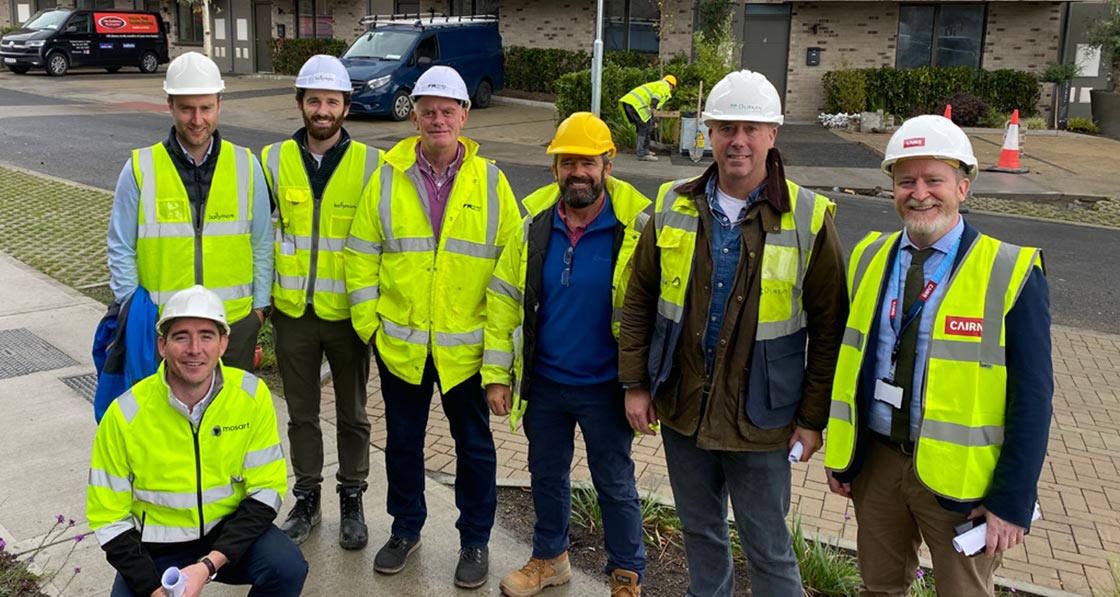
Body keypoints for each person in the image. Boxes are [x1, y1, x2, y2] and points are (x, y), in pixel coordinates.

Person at [617, 69, 848, 597]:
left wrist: (812, 421)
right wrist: (635, 383)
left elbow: (830, 328)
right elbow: (640, 300)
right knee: (700, 534)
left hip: (763, 420)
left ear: (772, 134)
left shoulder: (808, 216)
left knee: (767, 546)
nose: (737, 140)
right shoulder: (673, 201)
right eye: (725, 128)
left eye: (751, 128)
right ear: (709, 133)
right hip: (684, 408)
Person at [824, 114, 1052, 596]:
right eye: (907, 180)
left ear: (963, 188)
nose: (919, 192)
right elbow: (853, 365)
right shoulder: (868, 256)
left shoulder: (1010, 270)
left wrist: (1012, 499)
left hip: (962, 483)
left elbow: (1033, 399)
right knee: (879, 588)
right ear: (892, 188)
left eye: (934, 180)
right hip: (879, 465)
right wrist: (846, 459)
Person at [344, 65, 522, 588]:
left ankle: (474, 540)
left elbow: (512, 267)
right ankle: (405, 529)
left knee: (474, 447)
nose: (437, 119)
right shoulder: (387, 176)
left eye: (448, 110)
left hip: (467, 350)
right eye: (428, 110)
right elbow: (361, 254)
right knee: (402, 442)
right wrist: (369, 327)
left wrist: (500, 352)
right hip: (401, 343)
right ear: (415, 116)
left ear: (464, 116)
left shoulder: (492, 182)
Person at [483, 112, 650, 597]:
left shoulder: (637, 228)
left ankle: (626, 576)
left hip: (606, 385)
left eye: (588, 162)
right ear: (555, 167)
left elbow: (659, 311)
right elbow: (503, 300)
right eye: (567, 161)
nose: (578, 171)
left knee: (615, 484)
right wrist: (498, 374)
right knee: (546, 476)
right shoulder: (534, 225)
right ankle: (549, 560)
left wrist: (645, 384)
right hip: (547, 383)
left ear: (608, 166)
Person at [87, 285, 307, 597]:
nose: (195, 348)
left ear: (223, 343)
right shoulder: (124, 414)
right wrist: (151, 587)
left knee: (287, 567)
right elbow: (108, 517)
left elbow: (267, 490)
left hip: (227, 536)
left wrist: (207, 565)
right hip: (156, 549)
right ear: (162, 345)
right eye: (181, 337)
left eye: (206, 335)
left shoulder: (251, 396)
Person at [261, 55, 384, 551]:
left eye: (331, 101)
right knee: (302, 415)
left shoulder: (373, 165)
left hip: (350, 317)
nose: (322, 110)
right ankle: (307, 497)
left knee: (354, 414)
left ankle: (352, 497)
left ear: (345, 107)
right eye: (314, 100)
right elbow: (257, 236)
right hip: (292, 315)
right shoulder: (270, 161)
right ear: (300, 104)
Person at [106, 51, 273, 372]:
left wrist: (259, 311)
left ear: (219, 104)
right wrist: (137, 311)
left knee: (230, 418)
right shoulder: (141, 168)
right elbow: (121, 247)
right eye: (187, 109)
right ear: (170, 105)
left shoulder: (247, 166)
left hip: (233, 324)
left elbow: (262, 242)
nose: (197, 120)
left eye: (206, 108)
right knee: (165, 419)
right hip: (165, 327)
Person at [618, 75, 676, 162]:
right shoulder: (664, 86)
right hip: (636, 105)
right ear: (672, 85)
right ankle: (642, 153)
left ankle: (645, 150)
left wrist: (652, 117)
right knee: (644, 128)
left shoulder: (657, 84)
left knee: (647, 126)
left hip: (631, 104)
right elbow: (657, 95)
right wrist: (654, 104)